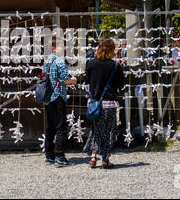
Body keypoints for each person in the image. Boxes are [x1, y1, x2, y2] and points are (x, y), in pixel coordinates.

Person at [83, 38, 125, 169]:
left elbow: (87, 80)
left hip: (95, 103)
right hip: (110, 103)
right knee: (108, 131)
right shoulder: (116, 66)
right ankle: (105, 159)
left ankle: (93, 156)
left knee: (96, 130)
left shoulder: (91, 63)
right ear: (112, 50)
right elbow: (121, 84)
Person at [43, 36, 77, 167]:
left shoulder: (47, 61)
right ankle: (59, 156)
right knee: (61, 127)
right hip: (57, 96)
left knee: (50, 127)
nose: (64, 48)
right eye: (61, 46)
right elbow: (65, 79)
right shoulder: (59, 61)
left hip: (47, 98)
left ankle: (49, 155)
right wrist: (74, 79)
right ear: (53, 48)